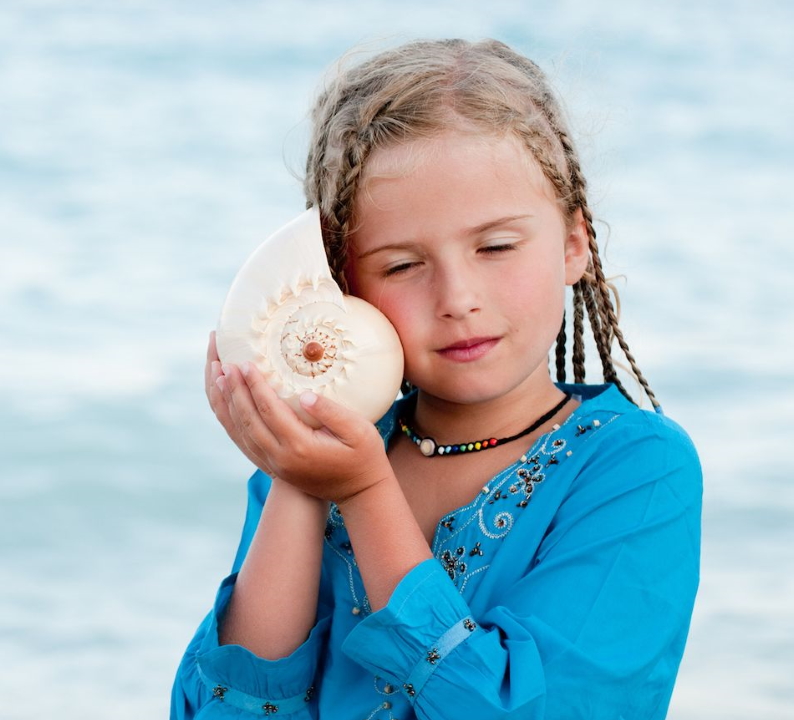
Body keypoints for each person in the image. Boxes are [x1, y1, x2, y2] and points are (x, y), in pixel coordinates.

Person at [171, 39, 701, 719]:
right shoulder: (314, 463)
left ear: (576, 244)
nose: (457, 297)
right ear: (341, 283)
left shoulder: (639, 468)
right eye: (400, 265)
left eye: (496, 247)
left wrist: (364, 492)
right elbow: (227, 710)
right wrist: (301, 486)